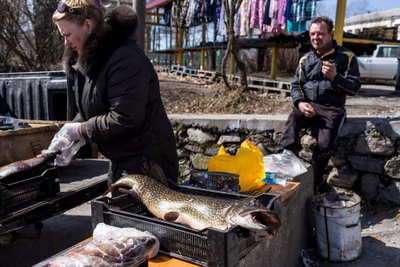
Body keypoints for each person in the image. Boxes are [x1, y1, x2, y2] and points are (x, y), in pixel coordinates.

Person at [45, 0, 179, 187]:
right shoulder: (92, 62)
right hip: (123, 162)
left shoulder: (124, 59)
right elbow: (94, 107)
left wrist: (80, 131)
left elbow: (125, 118)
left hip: (150, 166)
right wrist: (71, 132)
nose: (65, 42)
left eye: (67, 35)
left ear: (88, 26)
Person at [279, 16, 361, 192]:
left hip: (332, 109)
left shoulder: (346, 57)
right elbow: (296, 86)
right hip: (308, 105)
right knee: (292, 121)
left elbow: (354, 88)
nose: (316, 37)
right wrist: (300, 103)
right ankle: (285, 169)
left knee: (324, 146)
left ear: (330, 34)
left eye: (320, 34)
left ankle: (312, 185)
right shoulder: (305, 60)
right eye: (313, 34)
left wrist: (335, 77)